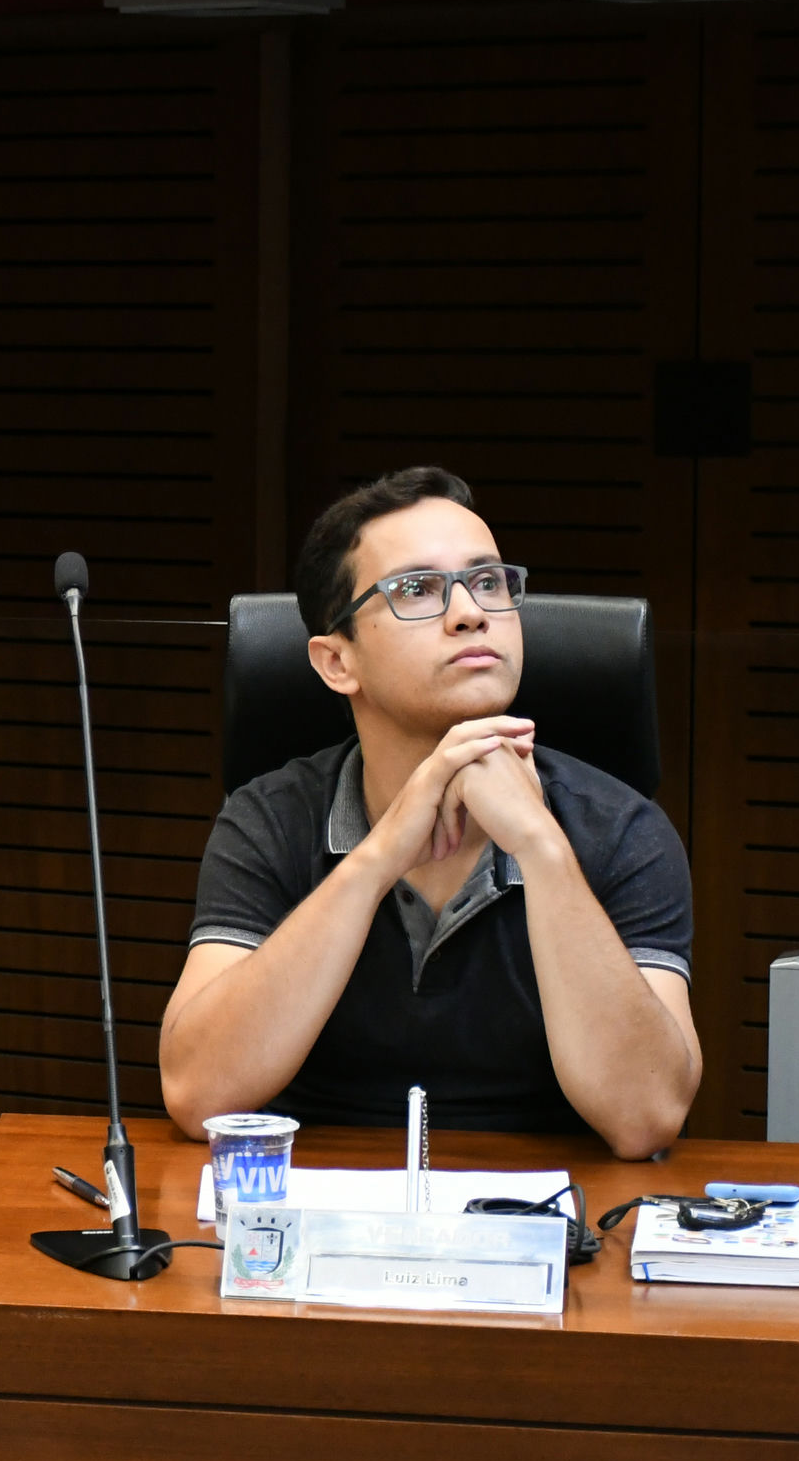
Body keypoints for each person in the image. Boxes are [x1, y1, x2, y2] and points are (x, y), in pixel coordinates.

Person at [158, 467, 701, 1158]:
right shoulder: (268, 820)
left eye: (488, 581)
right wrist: (380, 855)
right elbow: (199, 1095)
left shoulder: (621, 829)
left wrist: (541, 847)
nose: (471, 612)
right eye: (416, 589)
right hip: (318, 1199)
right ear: (336, 662)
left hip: (546, 1208)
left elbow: (646, 1117)